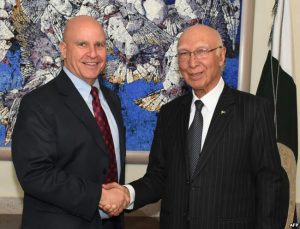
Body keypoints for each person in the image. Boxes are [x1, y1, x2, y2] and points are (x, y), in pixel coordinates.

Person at [103, 24, 289, 229]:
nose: (192, 62)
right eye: (184, 53)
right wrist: (127, 193)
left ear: (221, 56)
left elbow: (270, 184)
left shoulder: (253, 110)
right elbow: (159, 177)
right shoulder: (169, 113)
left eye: (201, 51)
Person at [12, 15, 129, 229]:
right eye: (82, 44)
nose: (93, 54)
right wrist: (98, 196)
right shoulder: (38, 103)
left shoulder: (112, 100)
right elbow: (35, 173)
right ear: (64, 49)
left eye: (99, 45)